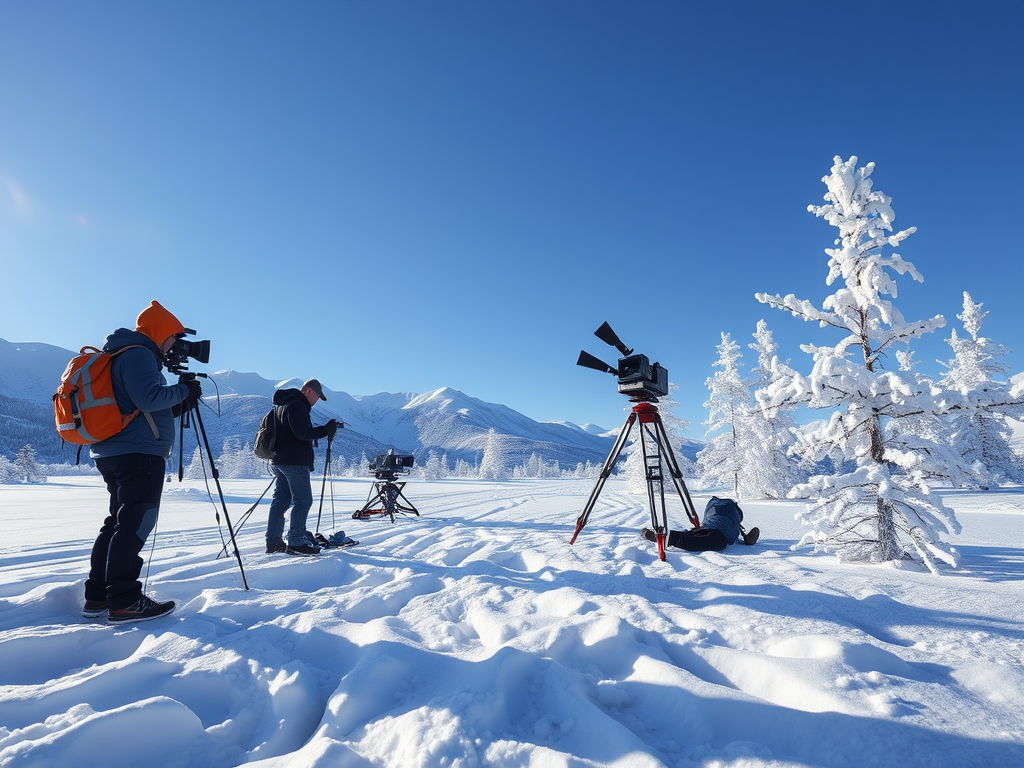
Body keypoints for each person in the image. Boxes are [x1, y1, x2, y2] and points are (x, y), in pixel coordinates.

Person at [83, 300, 202, 624]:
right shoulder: (138, 354)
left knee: (118, 523)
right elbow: (148, 398)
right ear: (161, 332)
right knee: (135, 524)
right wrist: (182, 390)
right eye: (173, 338)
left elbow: (140, 409)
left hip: (118, 450)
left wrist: (181, 400)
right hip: (138, 455)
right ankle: (124, 601)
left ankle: (97, 596)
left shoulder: (123, 353)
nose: (174, 346)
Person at [265, 379, 341, 556]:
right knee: (303, 500)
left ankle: (273, 541)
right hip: (294, 461)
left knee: (281, 500)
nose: (317, 400)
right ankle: (297, 542)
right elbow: (303, 433)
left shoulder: (283, 404)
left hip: (279, 460)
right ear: (308, 391)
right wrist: (325, 430)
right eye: (317, 396)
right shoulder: (297, 404)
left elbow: (295, 431)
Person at [642, 496, 759, 551]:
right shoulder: (735, 523)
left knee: (693, 535)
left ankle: (663, 536)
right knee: (710, 542)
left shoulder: (728, 515)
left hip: (708, 528)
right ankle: (667, 538)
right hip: (719, 534)